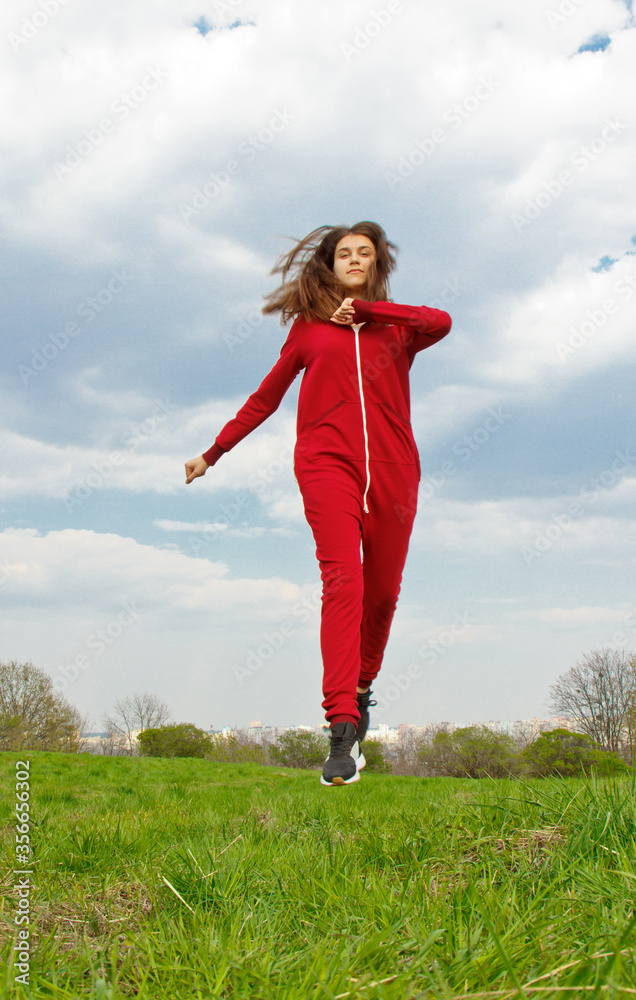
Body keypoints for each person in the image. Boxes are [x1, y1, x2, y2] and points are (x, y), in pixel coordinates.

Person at [185, 222, 452, 786]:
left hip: (395, 471)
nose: (354, 260)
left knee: (381, 593)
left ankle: (361, 689)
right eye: (344, 254)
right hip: (326, 465)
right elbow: (266, 396)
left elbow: (441, 322)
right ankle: (340, 728)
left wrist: (373, 313)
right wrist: (213, 452)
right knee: (344, 581)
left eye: (365, 254)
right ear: (329, 266)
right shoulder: (309, 331)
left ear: (377, 265)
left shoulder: (397, 330)